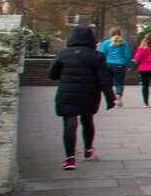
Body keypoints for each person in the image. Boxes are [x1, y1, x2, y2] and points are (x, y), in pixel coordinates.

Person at [48, 26, 114, 170]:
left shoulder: (63, 54)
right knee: (87, 120)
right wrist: (110, 98)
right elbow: (105, 79)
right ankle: (88, 150)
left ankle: (70, 158)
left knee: (70, 124)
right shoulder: (97, 56)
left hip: (67, 92)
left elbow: (52, 74)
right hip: (88, 93)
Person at [99, 31, 133, 106]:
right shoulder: (124, 43)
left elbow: (101, 54)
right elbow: (127, 55)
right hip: (120, 64)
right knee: (119, 82)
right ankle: (118, 96)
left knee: (108, 83)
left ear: (110, 34)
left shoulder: (105, 43)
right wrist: (128, 64)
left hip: (108, 64)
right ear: (120, 34)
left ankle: (110, 98)